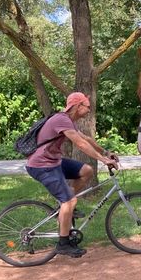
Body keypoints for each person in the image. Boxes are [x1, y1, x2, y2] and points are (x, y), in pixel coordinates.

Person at [26, 92, 119, 257]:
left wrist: (106, 152)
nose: (89, 110)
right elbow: (81, 144)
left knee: (86, 171)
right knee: (70, 200)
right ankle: (63, 244)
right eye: (87, 107)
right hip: (42, 166)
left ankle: (65, 207)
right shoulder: (61, 119)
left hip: (53, 162)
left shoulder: (68, 121)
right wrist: (103, 160)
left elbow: (87, 139)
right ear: (77, 106)